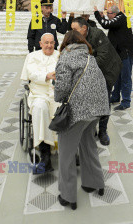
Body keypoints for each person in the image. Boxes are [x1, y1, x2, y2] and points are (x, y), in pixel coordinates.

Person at [54, 30, 109, 210]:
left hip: (77, 111)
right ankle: (95, 183)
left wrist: (58, 96)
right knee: (89, 146)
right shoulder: (89, 57)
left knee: (66, 153)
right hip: (97, 109)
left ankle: (68, 196)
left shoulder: (65, 57)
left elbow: (62, 87)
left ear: (66, 43)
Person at [70, 16, 121, 146]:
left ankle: (103, 131)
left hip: (107, 70)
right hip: (92, 72)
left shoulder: (97, 34)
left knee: (104, 101)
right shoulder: (76, 37)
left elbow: (103, 57)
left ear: (84, 28)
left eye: (75, 30)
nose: (72, 33)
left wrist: (86, 69)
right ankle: (91, 128)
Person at [20, 33, 59, 174]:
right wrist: (47, 76)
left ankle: (70, 149)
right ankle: (45, 154)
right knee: (40, 108)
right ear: (40, 43)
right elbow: (31, 74)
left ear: (55, 43)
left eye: (51, 43)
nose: (49, 45)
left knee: (64, 109)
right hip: (38, 93)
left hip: (57, 93)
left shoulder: (60, 55)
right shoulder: (32, 56)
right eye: (46, 42)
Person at [94, 5, 133, 111]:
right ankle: (115, 97)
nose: (106, 15)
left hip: (126, 53)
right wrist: (103, 16)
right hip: (119, 54)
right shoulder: (117, 19)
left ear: (113, 14)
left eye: (107, 13)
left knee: (125, 78)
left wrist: (97, 14)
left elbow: (106, 24)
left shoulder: (121, 18)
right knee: (117, 77)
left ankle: (126, 102)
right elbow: (109, 24)